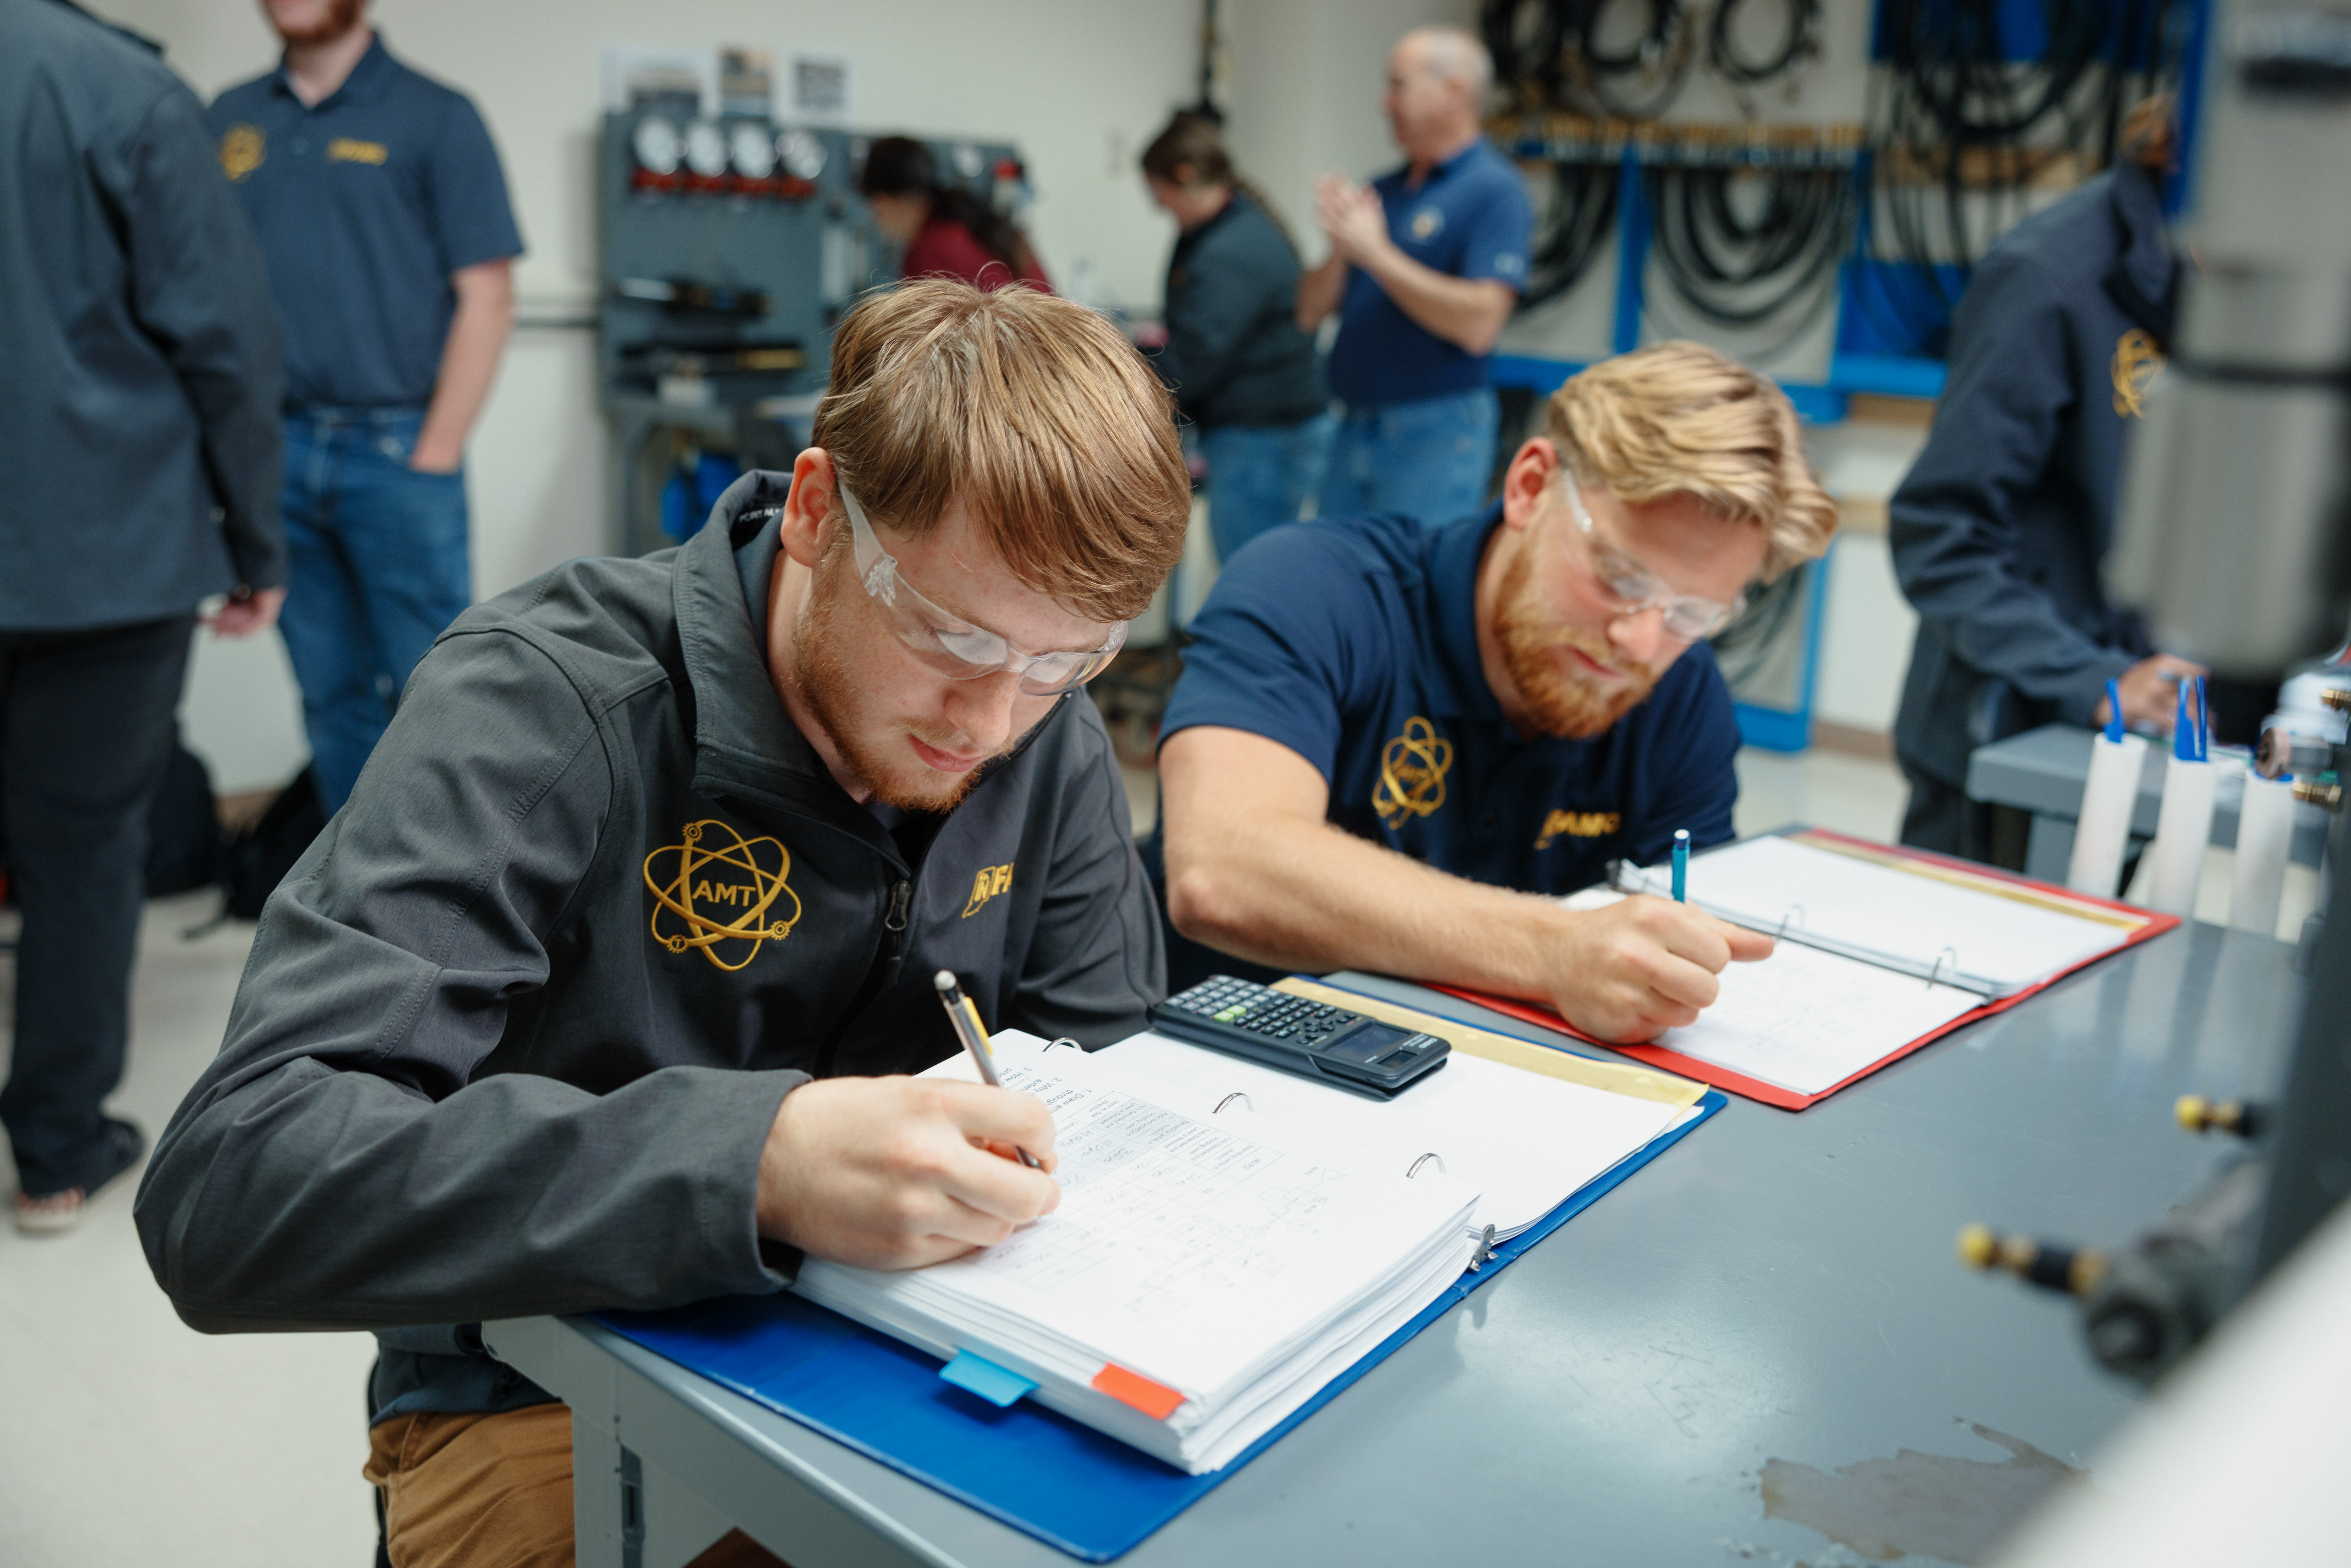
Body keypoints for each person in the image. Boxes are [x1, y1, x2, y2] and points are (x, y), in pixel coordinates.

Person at [134, 281, 1188, 1566]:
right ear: (813, 512)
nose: (991, 724)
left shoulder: (1039, 721)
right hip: (537, 1377)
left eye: (1063, 660)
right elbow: (233, 1184)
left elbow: (1107, 1083)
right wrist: (756, 1165)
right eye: (947, 632)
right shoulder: (546, 699)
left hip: (920, 1366)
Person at [1158, 343, 1837, 1044]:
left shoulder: (1681, 693)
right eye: (1619, 578)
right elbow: (1221, 871)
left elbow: (1682, 948)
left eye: (1691, 614)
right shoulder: (1312, 590)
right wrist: (1551, 952)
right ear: (1531, 486)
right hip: (1230, 1072)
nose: (1639, 641)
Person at [0, 0, 286, 1234]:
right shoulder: (121, 92)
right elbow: (223, 342)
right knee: (81, 849)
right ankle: (58, 1149)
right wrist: (255, 541)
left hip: (95, 559)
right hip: (99, 560)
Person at [1891, 97, 2223, 863]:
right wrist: (2100, 678)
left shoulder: (2255, 299)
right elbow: (1940, 537)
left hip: (2153, 728)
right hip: (2006, 733)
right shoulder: (2049, 277)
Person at [211, 0, 523, 815]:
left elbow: (487, 300)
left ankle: (459, 900)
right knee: (330, 697)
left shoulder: (437, 117)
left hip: (398, 455)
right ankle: (361, 905)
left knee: (443, 693)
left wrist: (436, 452)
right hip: (276, 453)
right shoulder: (229, 119)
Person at [1297, 26, 1533, 529]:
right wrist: (1343, 251)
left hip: (1434, 431)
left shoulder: (1494, 191)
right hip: (1352, 422)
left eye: (1398, 86)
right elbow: (1310, 312)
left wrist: (1377, 254)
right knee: (1334, 576)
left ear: (1453, 93)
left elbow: (1480, 324)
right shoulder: (1383, 190)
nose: (1385, 103)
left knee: (1413, 587)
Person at [1140, 113, 1334, 564]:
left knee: (1253, 574)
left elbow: (1192, 363)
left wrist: (1128, 367)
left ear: (1185, 176)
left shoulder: (1228, 253)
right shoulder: (1227, 225)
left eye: (1160, 192)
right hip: (1269, 429)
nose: (1159, 205)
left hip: (1262, 437)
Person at [859, 135, 1052, 293]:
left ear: (894, 202)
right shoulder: (972, 225)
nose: (877, 222)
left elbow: (922, 336)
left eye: (877, 210)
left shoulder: (929, 253)